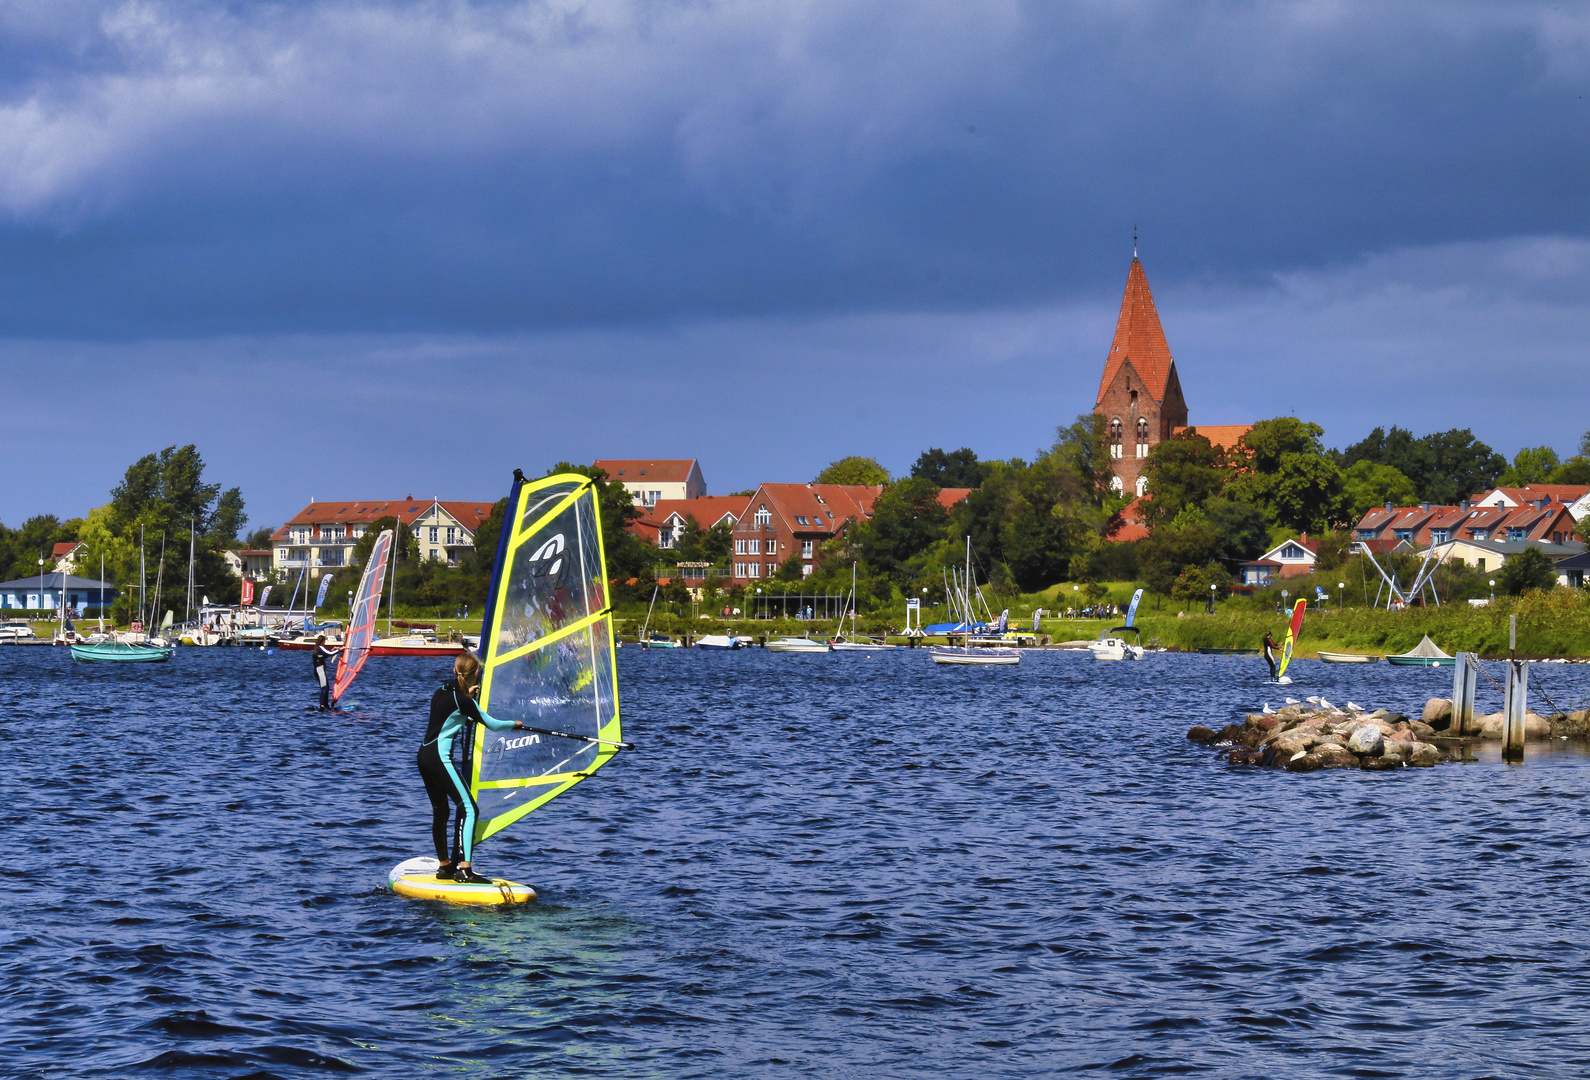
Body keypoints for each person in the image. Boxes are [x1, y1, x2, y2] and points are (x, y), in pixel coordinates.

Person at [418, 652, 526, 883]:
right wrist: (514, 724)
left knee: (441, 811)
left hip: (424, 757)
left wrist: (468, 695)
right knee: (469, 809)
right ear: (476, 673)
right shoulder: (465, 701)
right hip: (439, 758)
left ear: (455, 670)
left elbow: (452, 709)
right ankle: (465, 870)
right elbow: (493, 725)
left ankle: (445, 867)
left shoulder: (442, 690)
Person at [311, 635, 338, 710]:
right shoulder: (320, 647)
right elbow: (329, 654)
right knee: (324, 688)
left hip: (319, 671)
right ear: (323, 641)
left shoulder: (318, 649)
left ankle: (326, 705)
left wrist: (333, 650)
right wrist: (340, 650)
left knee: (327, 687)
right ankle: (322, 705)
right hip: (320, 671)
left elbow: (325, 655)